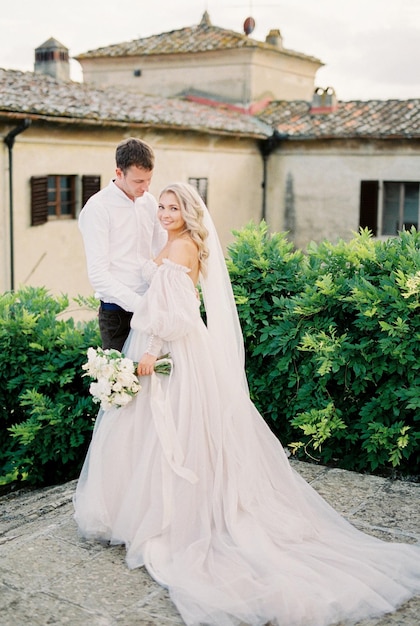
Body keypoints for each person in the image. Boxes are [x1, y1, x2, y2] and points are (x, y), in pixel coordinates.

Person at [74, 183, 420, 626]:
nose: (163, 213)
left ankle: (169, 515)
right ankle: (146, 509)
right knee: (160, 433)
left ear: (188, 212)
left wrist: (149, 350)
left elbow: (177, 315)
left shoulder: (181, 248)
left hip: (167, 349)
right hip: (171, 346)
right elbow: (162, 289)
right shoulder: (176, 242)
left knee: (172, 431)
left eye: (172, 207)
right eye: (160, 206)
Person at [78, 137, 166, 351]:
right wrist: (140, 305)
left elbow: (162, 249)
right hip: (117, 316)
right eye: (138, 181)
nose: (145, 187)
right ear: (119, 173)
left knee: (155, 380)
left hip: (153, 307)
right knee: (120, 383)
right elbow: (98, 275)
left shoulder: (150, 202)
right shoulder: (98, 208)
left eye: (149, 180)